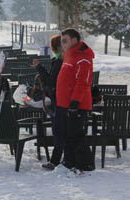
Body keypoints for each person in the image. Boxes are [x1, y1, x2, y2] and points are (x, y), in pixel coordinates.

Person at [55, 28, 95, 173]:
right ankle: (69, 162)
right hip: (64, 104)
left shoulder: (83, 57)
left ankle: (86, 165)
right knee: (67, 135)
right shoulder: (69, 55)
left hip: (77, 105)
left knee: (75, 135)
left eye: (65, 41)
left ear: (74, 40)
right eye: (61, 41)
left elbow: (83, 82)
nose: (62, 44)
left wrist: (75, 102)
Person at [33, 35, 65, 170]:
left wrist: (39, 67)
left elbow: (51, 81)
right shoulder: (64, 60)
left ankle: (55, 161)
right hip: (61, 99)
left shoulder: (59, 62)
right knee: (62, 131)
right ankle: (58, 159)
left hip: (58, 100)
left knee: (58, 132)